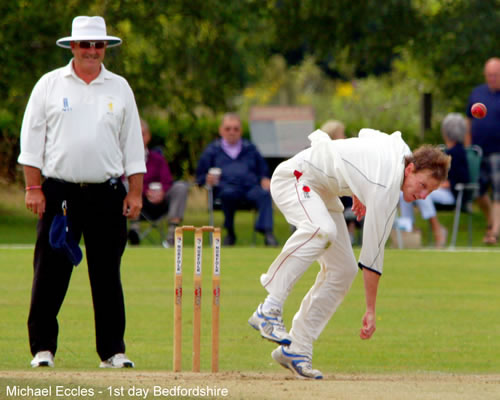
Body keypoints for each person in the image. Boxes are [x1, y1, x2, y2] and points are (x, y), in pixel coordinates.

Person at [248, 128, 450, 379]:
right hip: (296, 177)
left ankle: (297, 348)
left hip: (321, 191)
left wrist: (358, 186)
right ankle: (269, 309)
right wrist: (370, 309)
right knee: (321, 230)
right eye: (422, 186)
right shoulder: (385, 189)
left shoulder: (402, 151)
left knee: (344, 269)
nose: (421, 195)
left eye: (428, 192)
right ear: (410, 170)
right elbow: (372, 259)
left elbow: (365, 135)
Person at [18, 16, 146, 369]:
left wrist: (134, 194)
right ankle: (42, 348)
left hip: (106, 192)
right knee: (50, 272)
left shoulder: (119, 87)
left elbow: (133, 147)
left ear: (105, 48)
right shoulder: (49, 84)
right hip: (59, 192)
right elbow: (32, 143)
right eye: (85, 45)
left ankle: (112, 352)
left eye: (98, 45)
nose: (92, 51)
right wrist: (33, 187)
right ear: (72, 47)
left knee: (106, 273)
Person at [195, 113, 279, 246]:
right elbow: (199, 177)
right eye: (228, 129)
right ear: (221, 130)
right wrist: (207, 179)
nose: (232, 132)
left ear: (241, 131)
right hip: (226, 189)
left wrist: (265, 179)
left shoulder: (250, 148)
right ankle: (230, 232)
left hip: (250, 188)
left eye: (235, 129)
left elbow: (263, 170)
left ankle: (267, 232)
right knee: (229, 194)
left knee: (264, 194)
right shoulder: (212, 150)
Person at [399, 113, 470, 247]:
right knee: (405, 193)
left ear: (445, 132)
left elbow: (461, 180)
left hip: (453, 194)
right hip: (444, 192)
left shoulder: (458, 153)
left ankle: (438, 230)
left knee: (424, 194)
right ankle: (409, 230)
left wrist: (433, 186)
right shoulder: (447, 151)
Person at [128, 119, 190, 247]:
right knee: (124, 186)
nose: (139, 138)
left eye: (142, 134)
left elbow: (168, 181)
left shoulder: (158, 159)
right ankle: (134, 231)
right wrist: (145, 192)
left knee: (181, 187)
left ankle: (172, 235)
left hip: (161, 202)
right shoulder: (124, 159)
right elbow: (125, 179)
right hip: (138, 201)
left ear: (148, 136)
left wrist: (162, 192)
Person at [465, 57, 500, 244]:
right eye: (489, 75)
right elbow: (468, 121)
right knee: (478, 192)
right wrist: (468, 147)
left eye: (495, 75)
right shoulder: (477, 93)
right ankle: (491, 223)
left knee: (498, 193)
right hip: (477, 152)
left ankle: (493, 233)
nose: (492, 78)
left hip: (498, 153)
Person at [320, 119, 363, 245]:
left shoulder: (346, 154)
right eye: (342, 134)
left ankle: (350, 231)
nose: (345, 137)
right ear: (333, 136)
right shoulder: (321, 154)